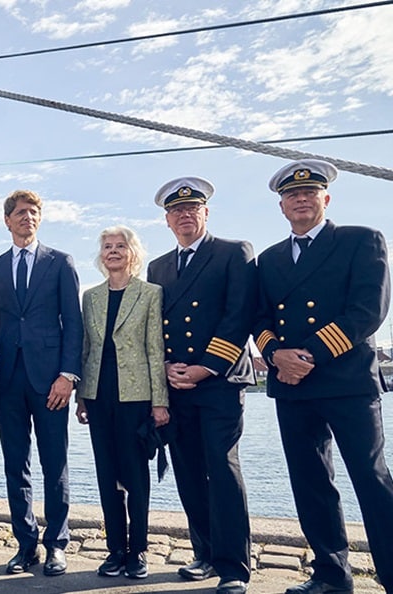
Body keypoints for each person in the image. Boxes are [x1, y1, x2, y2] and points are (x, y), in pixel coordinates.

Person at [254, 159, 393, 594]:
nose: (300, 199)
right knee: (311, 483)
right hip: (292, 387)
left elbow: (368, 311)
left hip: (347, 382)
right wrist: (275, 355)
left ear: (326, 199)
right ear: (281, 206)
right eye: (292, 195)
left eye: (309, 192)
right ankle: (331, 575)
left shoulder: (361, 240)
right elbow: (258, 318)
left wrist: (308, 354)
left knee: (371, 480)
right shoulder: (268, 259)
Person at [146, 177, 254, 594]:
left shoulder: (232, 252)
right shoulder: (158, 267)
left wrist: (205, 367)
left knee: (222, 469)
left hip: (219, 382)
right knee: (188, 470)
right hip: (176, 384)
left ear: (206, 213)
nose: (185, 215)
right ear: (167, 220)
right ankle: (204, 553)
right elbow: (155, 325)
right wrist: (165, 367)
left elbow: (239, 315)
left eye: (192, 208)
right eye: (176, 210)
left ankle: (233, 565)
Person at [0, 189, 83, 577]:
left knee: (55, 463)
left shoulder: (60, 262)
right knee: (15, 464)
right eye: (21, 212)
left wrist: (67, 376)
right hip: (7, 380)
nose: (28, 217)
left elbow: (72, 322)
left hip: (51, 380)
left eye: (34, 212)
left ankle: (56, 543)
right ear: (7, 220)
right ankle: (25, 545)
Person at [75, 226, 169, 579]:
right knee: (106, 474)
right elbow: (86, 348)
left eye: (120, 246)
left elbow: (155, 349)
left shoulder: (150, 293)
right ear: (101, 255)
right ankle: (115, 549)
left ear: (133, 253)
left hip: (136, 397)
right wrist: (82, 397)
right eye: (107, 247)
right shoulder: (91, 297)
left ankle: (138, 550)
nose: (113, 251)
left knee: (134, 474)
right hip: (99, 396)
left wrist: (160, 402)